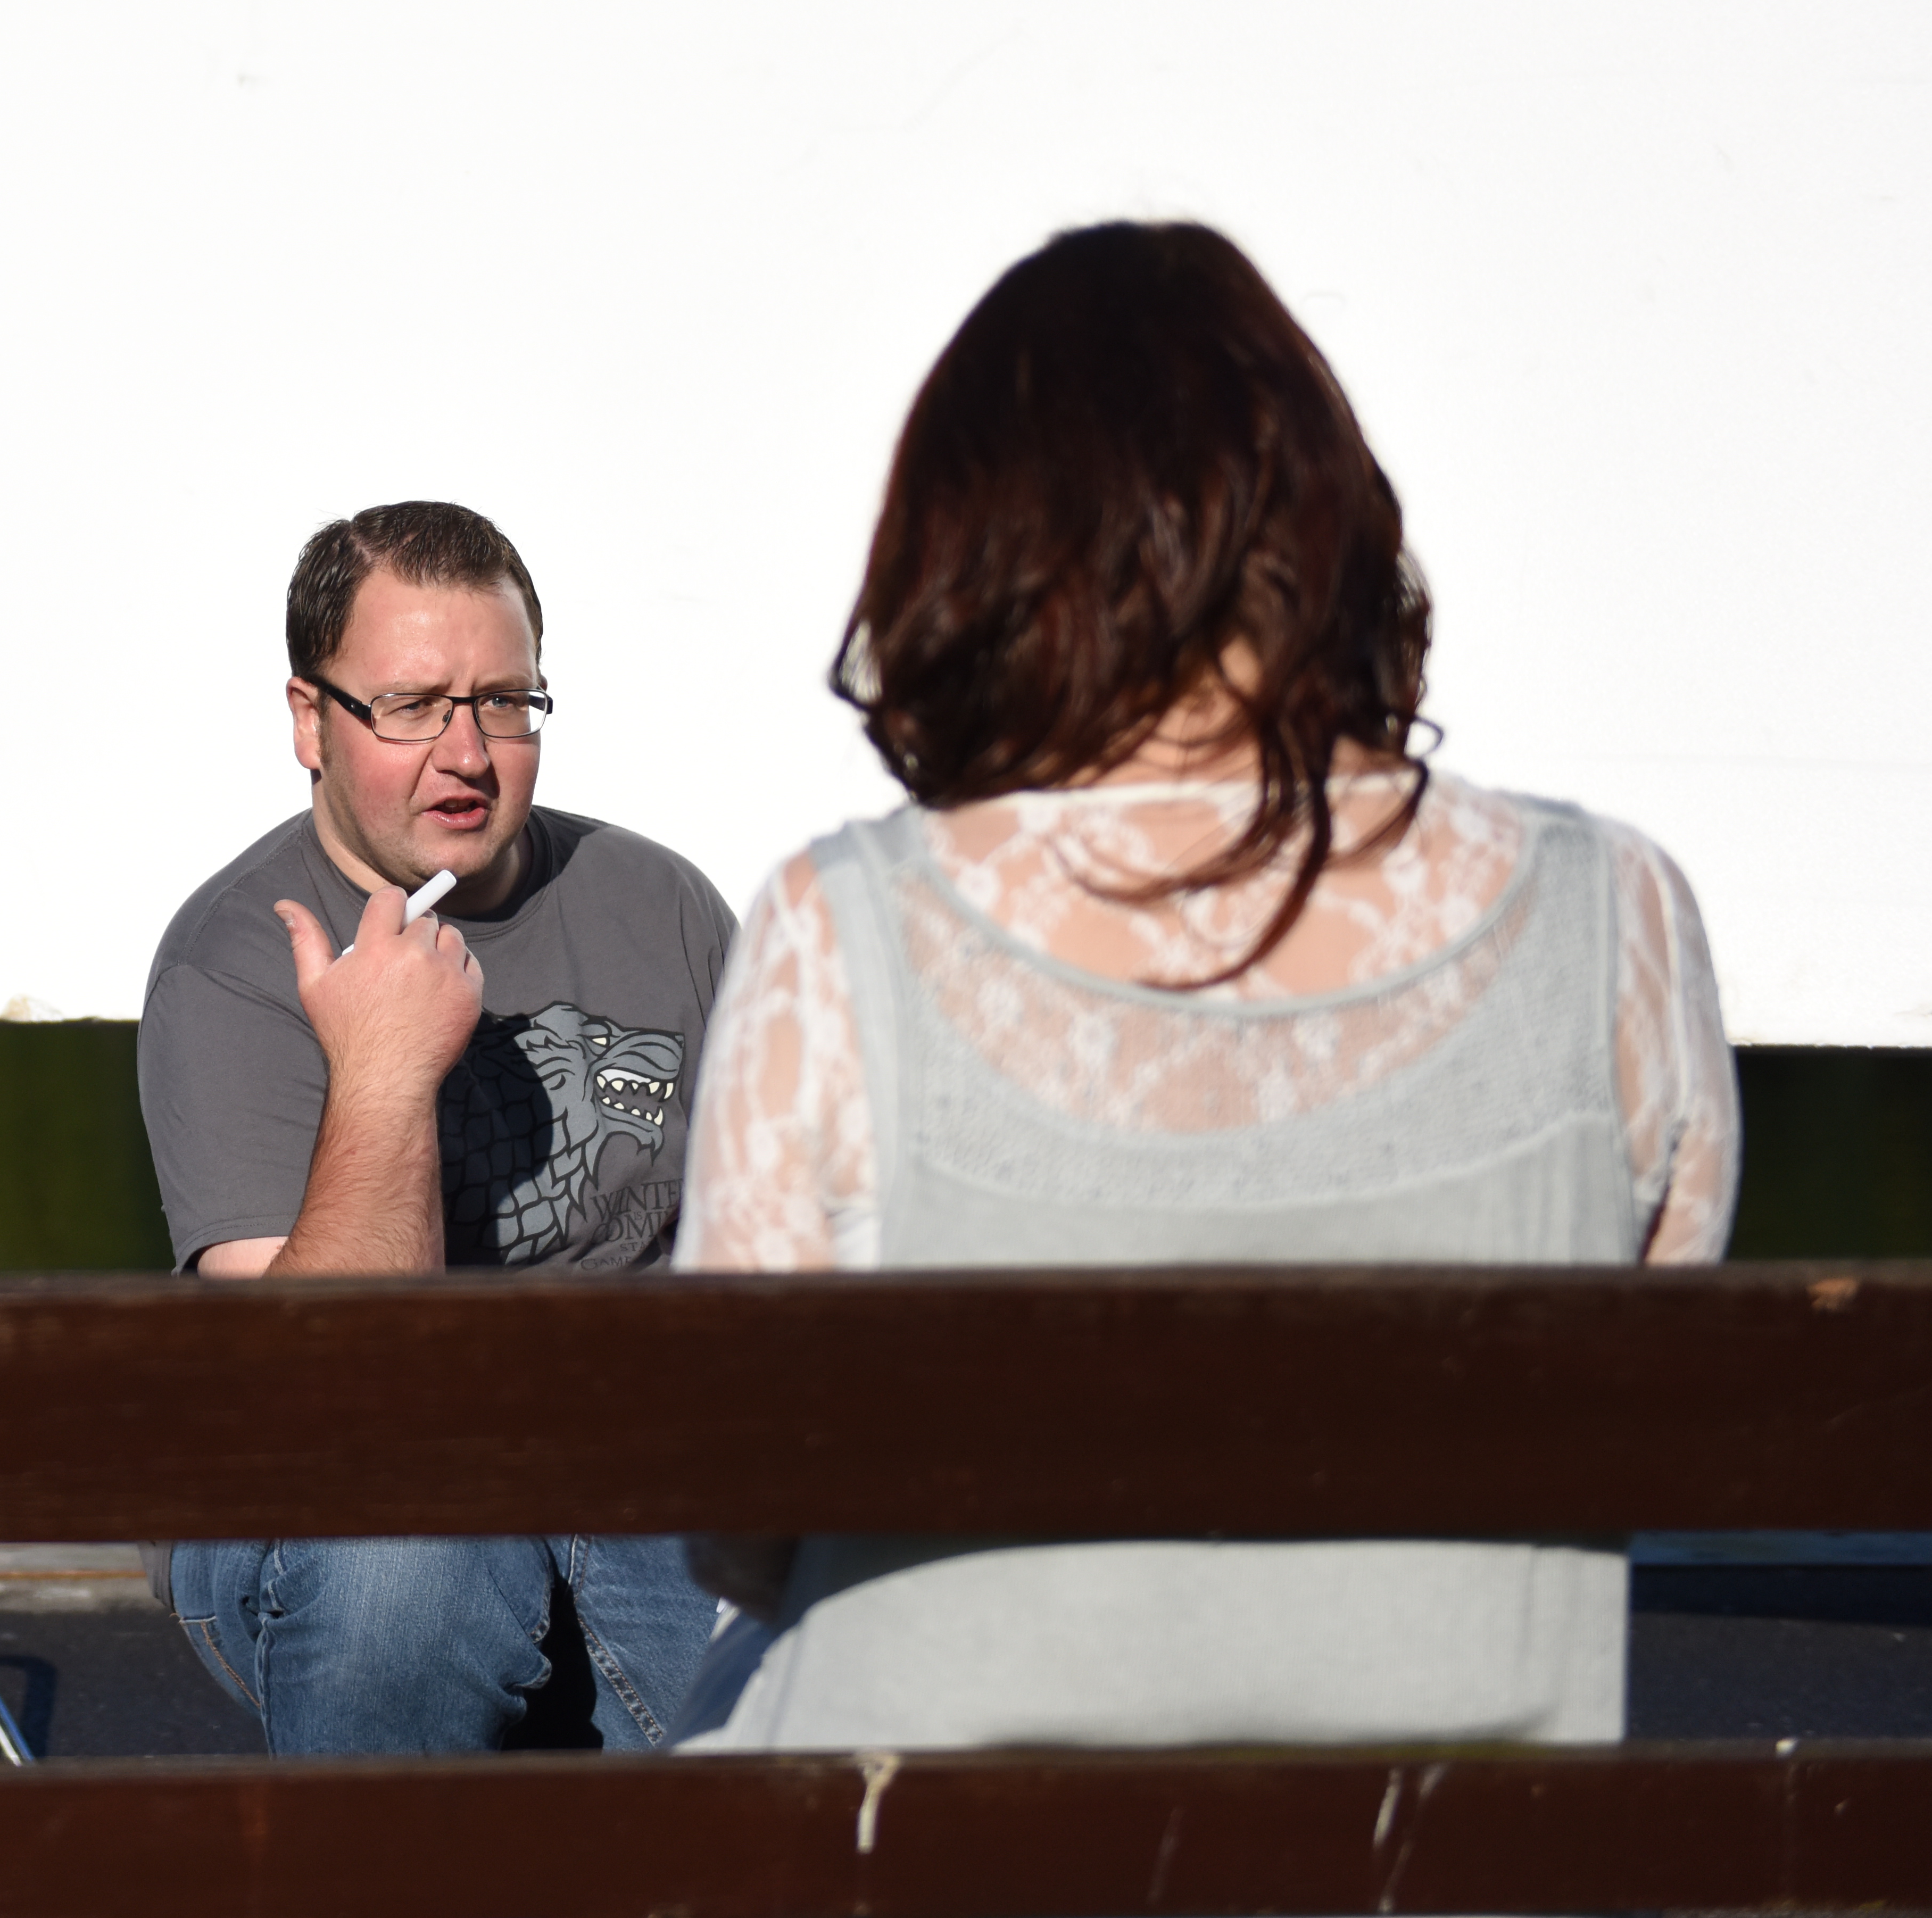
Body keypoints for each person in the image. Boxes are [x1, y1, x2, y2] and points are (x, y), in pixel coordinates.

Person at [677, 219, 1740, 1751]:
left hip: (940, 1866)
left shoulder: (839, 926)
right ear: (1331, 534)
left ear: (965, 549)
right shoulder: (1613, 914)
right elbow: (1634, 1430)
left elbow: (740, 1522)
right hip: (1455, 1871)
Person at [139, 500, 739, 1753]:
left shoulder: (660, 901)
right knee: (411, 1556)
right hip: (335, 1483)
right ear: (309, 718)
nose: (465, 751)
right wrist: (380, 1071)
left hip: (625, 1455)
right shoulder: (237, 956)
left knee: (801, 1696)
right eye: (410, 704)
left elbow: (754, 1258)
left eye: (504, 701)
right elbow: (337, 1387)